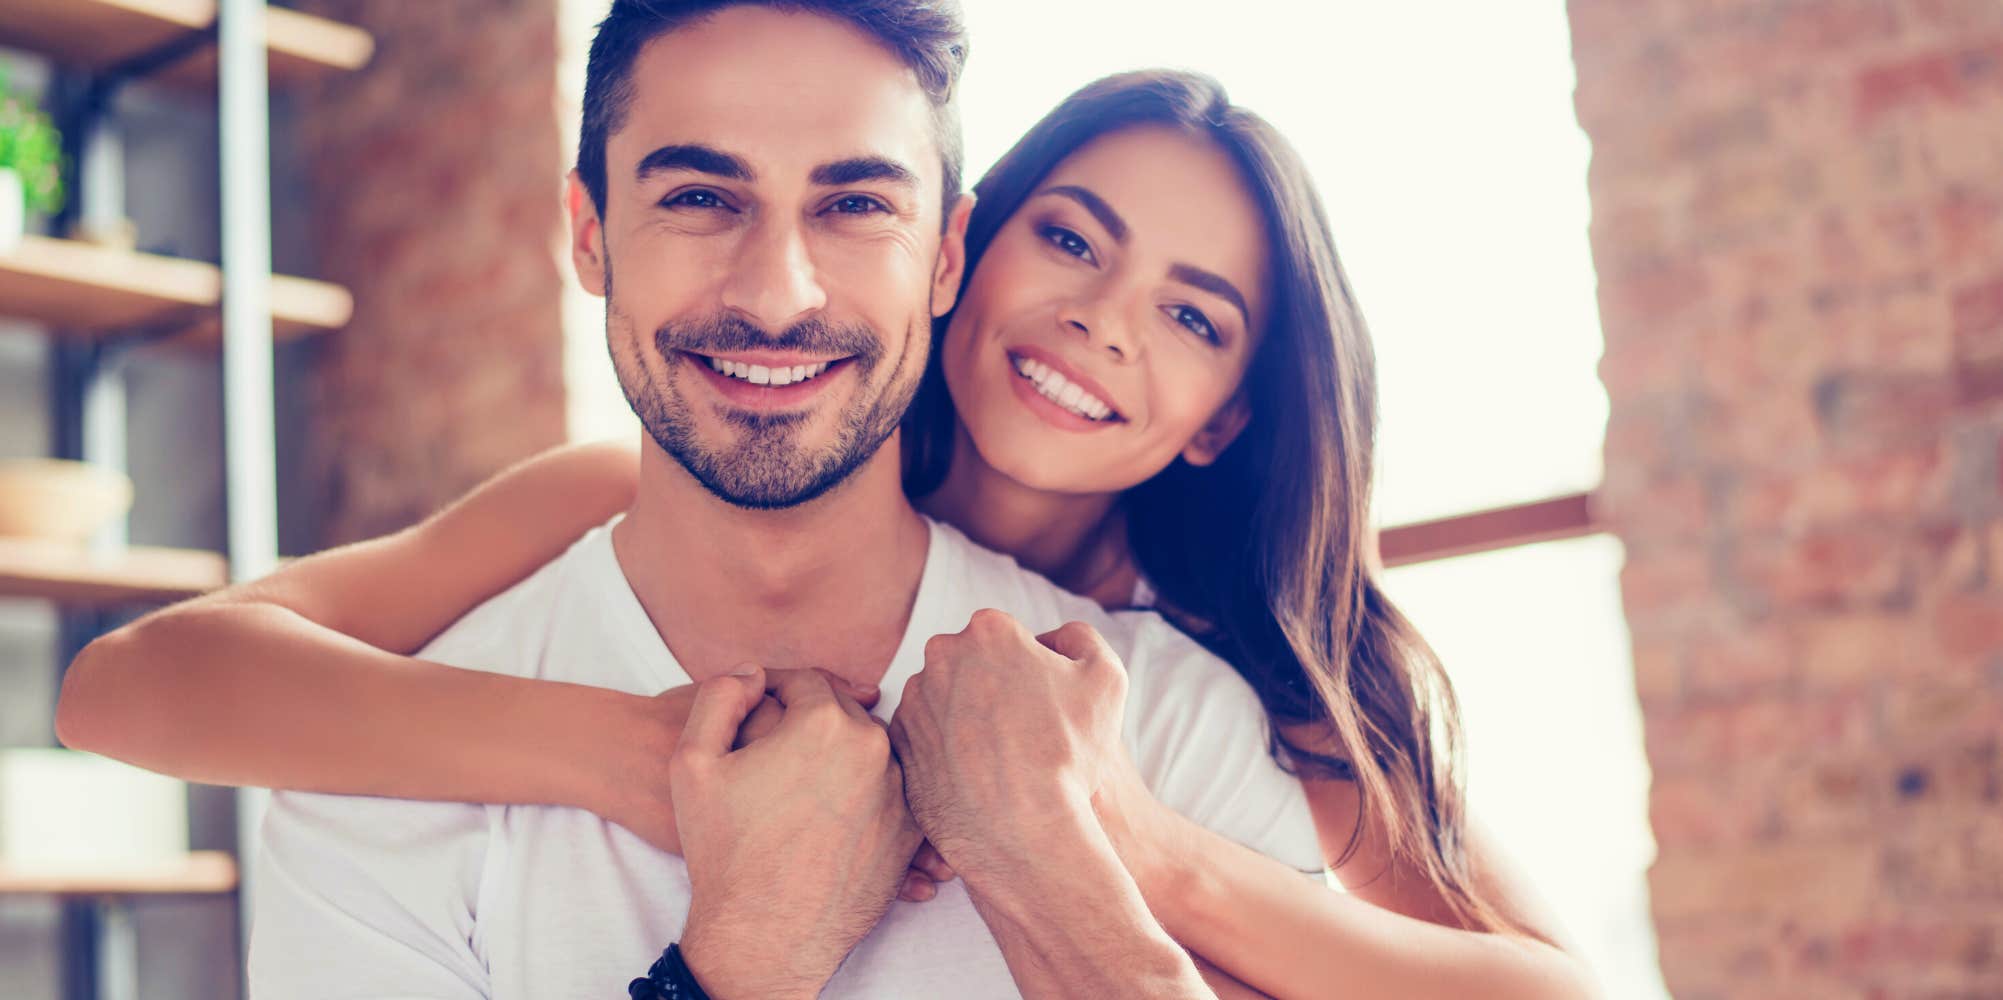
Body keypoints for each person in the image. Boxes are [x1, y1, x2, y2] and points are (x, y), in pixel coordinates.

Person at [58, 4, 1601, 1000]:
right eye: (1075, 243)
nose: (1103, 324)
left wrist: (1106, 839)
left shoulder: (1199, 695)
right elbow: (139, 682)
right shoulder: (563, 550)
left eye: (1195, 318)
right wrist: (650, 765)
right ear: (981, 255)